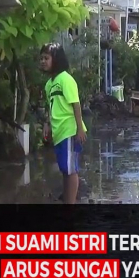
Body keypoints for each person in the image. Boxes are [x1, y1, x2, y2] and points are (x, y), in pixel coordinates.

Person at [40, 43, 87, 204]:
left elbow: (76, 104)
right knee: (65, 169)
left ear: (56, 59)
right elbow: (51, 106)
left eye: (46, 58)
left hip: (70, 131)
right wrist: (47, 124)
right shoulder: (49, 84)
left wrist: (80, 129)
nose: (43, 61)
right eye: (41, 58)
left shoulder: (66, 79)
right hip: (59, 132)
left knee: (71, 170)